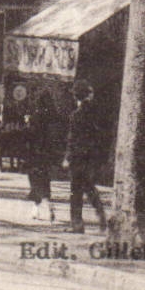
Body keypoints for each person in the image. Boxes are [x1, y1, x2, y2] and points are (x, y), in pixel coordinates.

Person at [64, 80, 109, 233]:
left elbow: (73, 139)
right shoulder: (96, 114)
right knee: (89, 187)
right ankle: (102, 216)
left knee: (75, 191)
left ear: (76, 96)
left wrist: (68, 157)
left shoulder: (76, 115)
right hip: (91, 157)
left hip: (78, 157)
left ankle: (77, 224)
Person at [24, 90, 64, 223]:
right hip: (48, 154)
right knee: (45, 179)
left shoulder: (36, 116)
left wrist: (27, 122)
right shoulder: (55, 117)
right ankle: (49, 205)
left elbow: (30, 135)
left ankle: (36, 207)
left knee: (35, 179)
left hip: (35, 153)